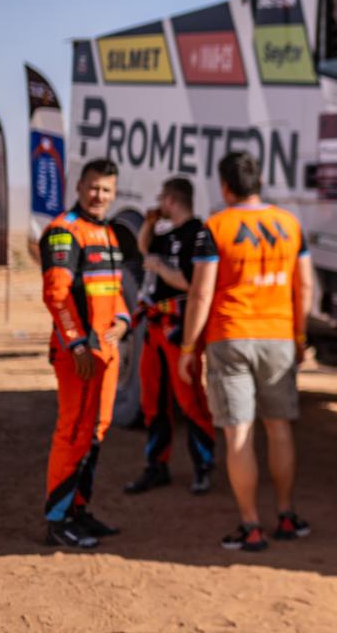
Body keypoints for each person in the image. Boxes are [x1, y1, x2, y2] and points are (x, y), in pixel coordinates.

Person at [180, 151, 313, 552]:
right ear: (260, 182)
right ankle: (286, 514)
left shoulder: (216, 226)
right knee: (279, 428)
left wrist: (188, 346)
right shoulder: (290, 224)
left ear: (225, 187)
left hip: (230, 336)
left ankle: (251, 525)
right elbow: (305, 286)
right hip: (279, 336)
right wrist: (299, 337)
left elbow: (201, 293)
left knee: (239, 433)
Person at [38, 158, 132, 548]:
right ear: (78, 187)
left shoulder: (107, 232)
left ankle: (78, 510)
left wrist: (123, 321)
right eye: (93, 187)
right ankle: (57, 521)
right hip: (78, 354)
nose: (99, 195)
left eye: (106, 189)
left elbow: (114, 290)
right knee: (74, 431)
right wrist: (76, 342)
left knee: (96, 430)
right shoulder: (64, 231)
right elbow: (57, 294)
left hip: (106, 351)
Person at [123, 177, 217, 495]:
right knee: (152, 400)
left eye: (162, 198)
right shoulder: (167, 234)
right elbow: (144, 248)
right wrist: (149, 223)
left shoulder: (198, 234)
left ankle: (203, 467)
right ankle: (156, 466)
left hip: (180, 327)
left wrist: (161, 270)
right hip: (154, 327)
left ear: (172, 201)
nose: (159, 203)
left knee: (190, 399)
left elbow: (194, 283)